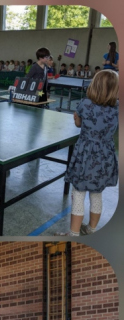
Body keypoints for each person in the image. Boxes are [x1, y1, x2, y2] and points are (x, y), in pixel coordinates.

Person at [57, 70, 118, 237]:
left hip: (85, 155)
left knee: (78, 193)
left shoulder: (85, 104)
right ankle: (91, 229)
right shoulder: (117, 107)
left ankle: (74, 233)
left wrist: (77, 118)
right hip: (106, 155)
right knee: (97, 194)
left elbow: (78, 124)